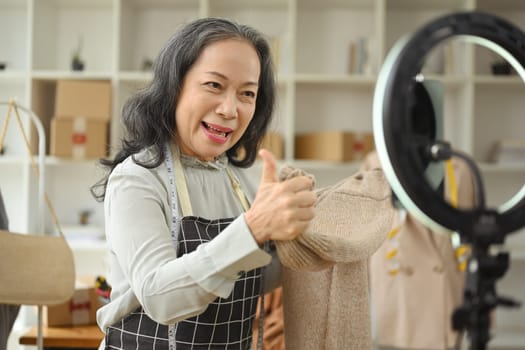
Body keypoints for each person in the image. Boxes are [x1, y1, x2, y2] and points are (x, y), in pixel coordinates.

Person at [91, 17, 316, 349]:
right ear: (175, 85)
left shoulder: (242, 180)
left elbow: (252, 282)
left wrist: (306, 239)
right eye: (214, 85)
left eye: (247, 93)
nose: (230, 109)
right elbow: (160, 300)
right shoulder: (137, 179)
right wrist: (253, 230)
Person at [361, 151, 476, 350]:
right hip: (399, 304)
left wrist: (482, 316)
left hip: (448, 305)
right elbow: (364, 237)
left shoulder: (461, 167)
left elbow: (474, 241)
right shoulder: (377, 163)